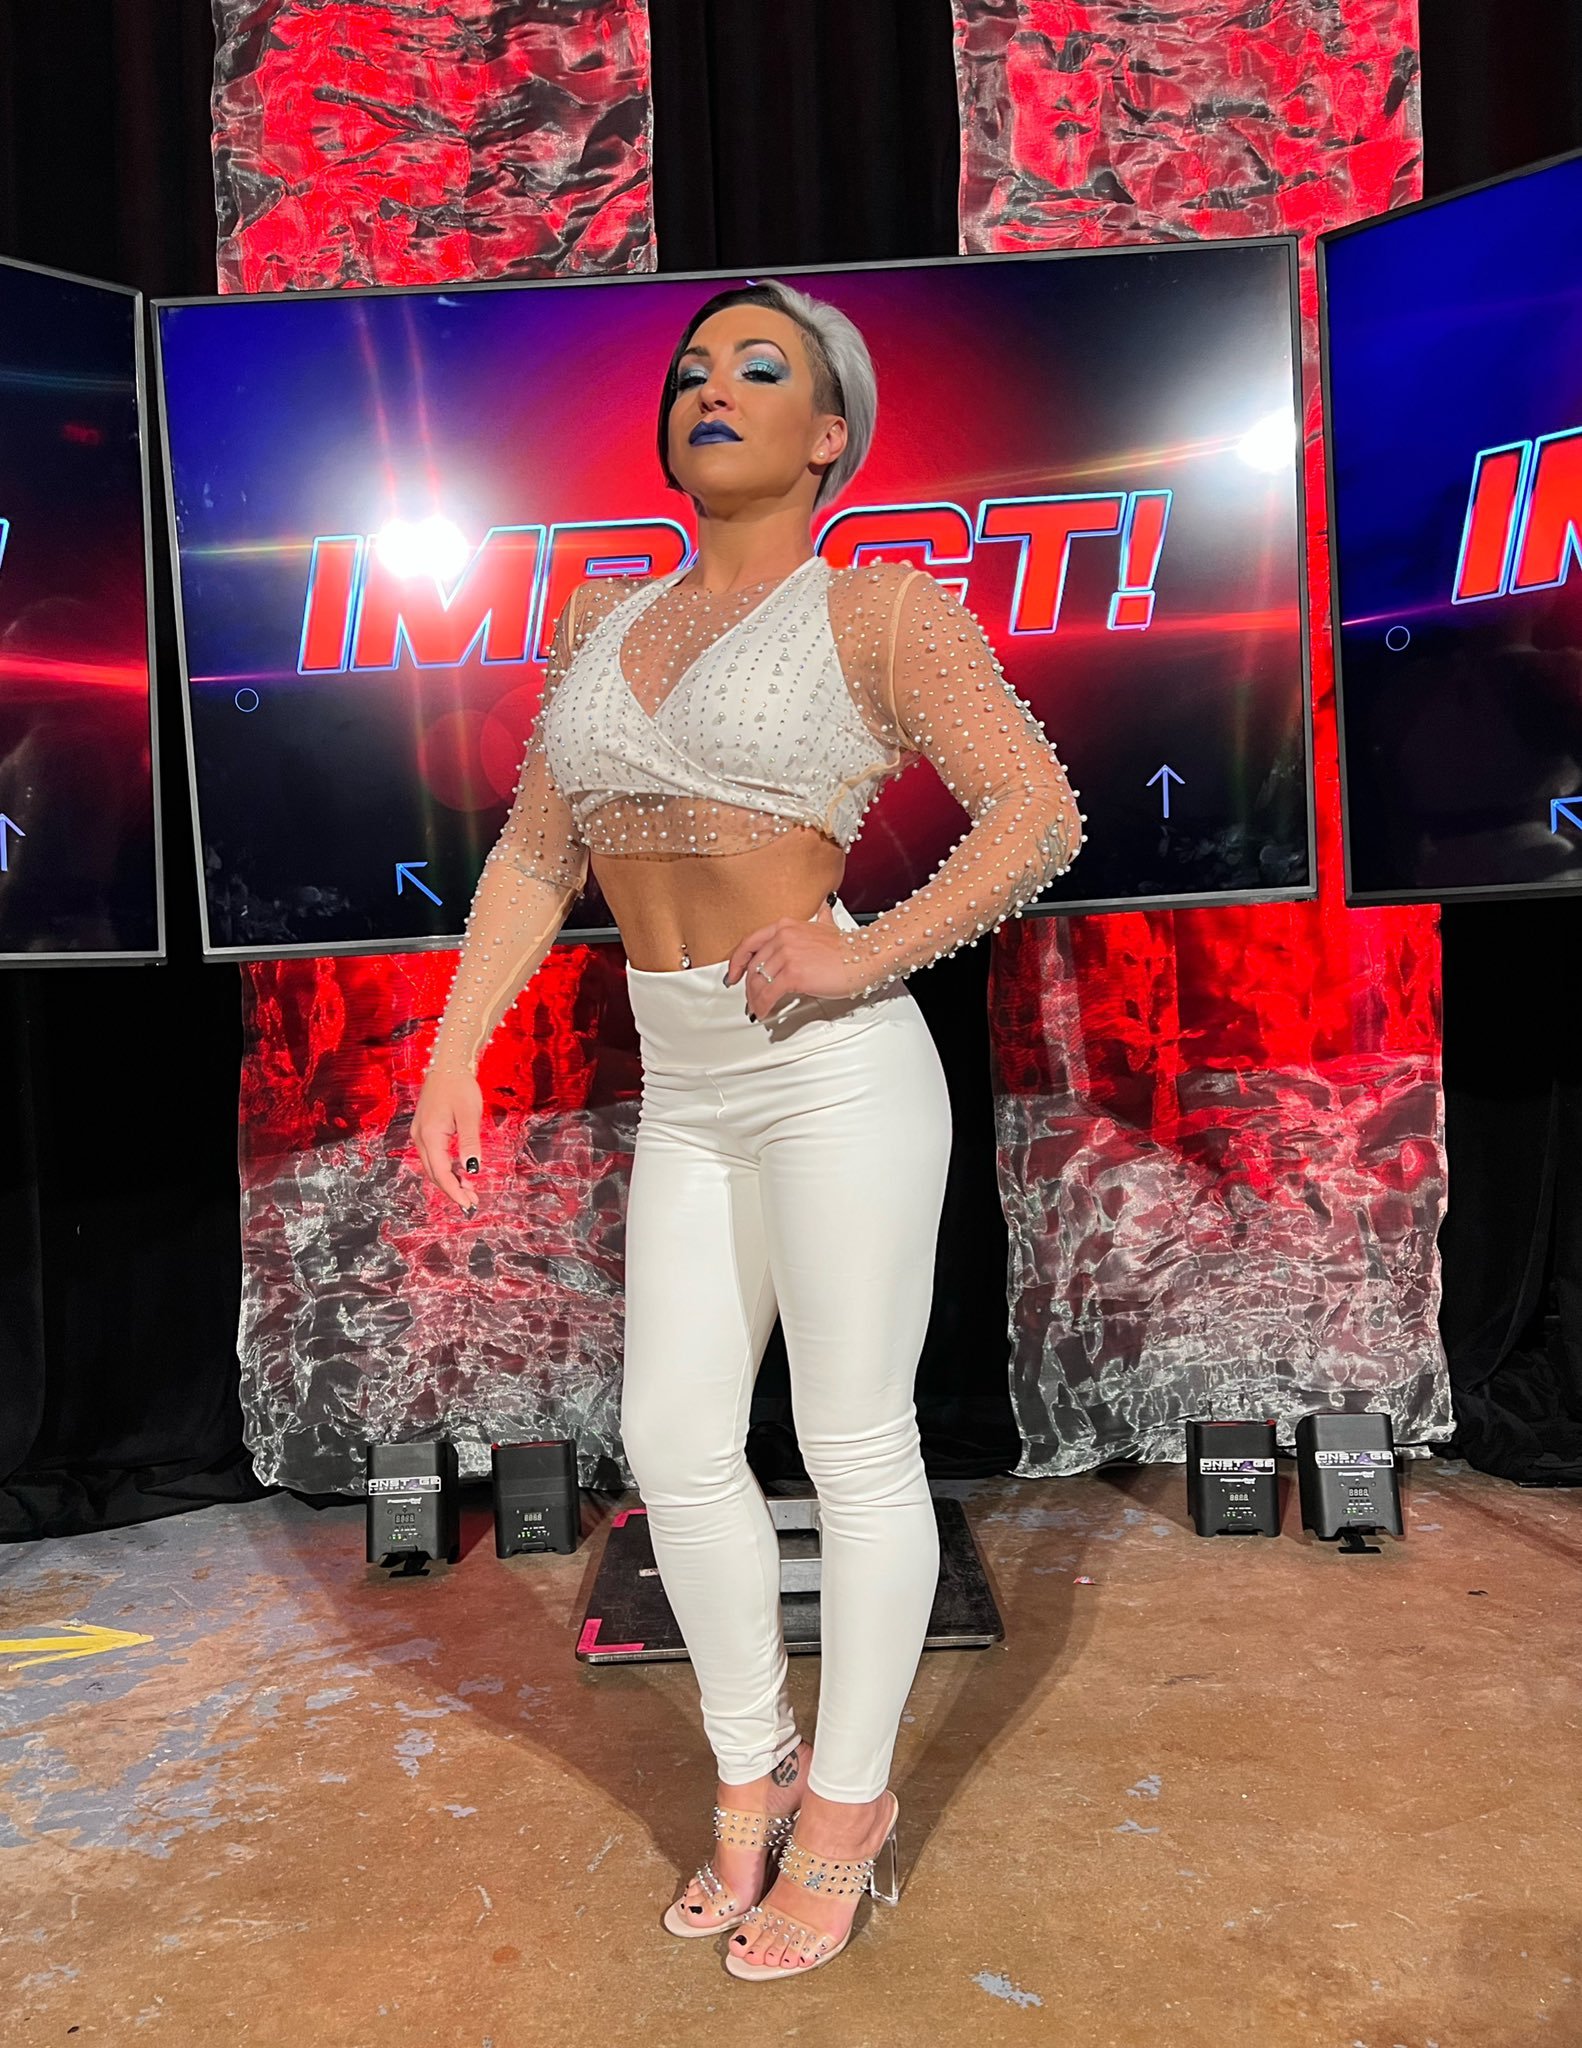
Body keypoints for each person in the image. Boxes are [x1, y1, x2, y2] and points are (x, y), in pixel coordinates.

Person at [412, 277, 1085, 1980]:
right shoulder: (599, 621)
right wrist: (452, 1049)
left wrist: (867, 945)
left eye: (760, 368)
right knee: (673, 1440)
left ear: (828, 432)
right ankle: (751, 1768)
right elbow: (536, 855)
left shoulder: (880, 609)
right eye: (693, 370)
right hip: (688, 1082)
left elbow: (1034, 808)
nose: (713, 388)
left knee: (852, 1446)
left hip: (833, 1069)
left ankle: (845, 1812)